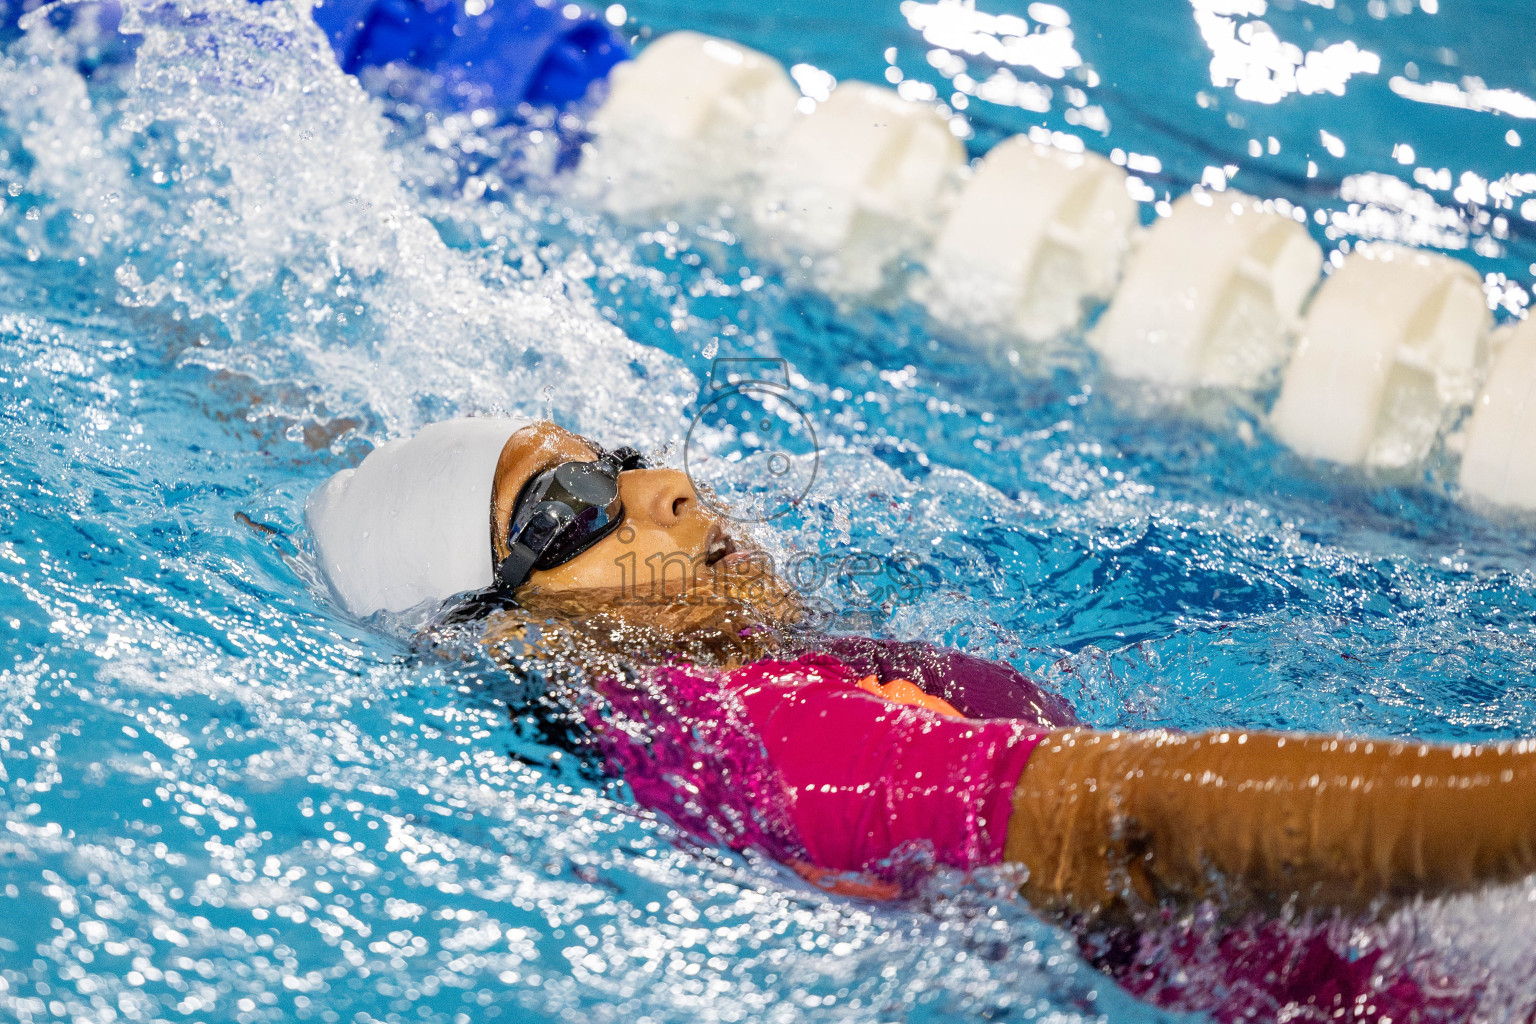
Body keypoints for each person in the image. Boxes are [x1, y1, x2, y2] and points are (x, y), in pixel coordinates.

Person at [307, 415, 1536, 931]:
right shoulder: (747, 731)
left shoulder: (775, 682)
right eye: (572, 510)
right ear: (511, 634)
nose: (663, 485)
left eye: (615, 457)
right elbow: (1133, 828)